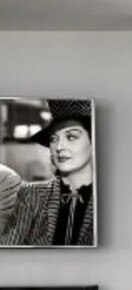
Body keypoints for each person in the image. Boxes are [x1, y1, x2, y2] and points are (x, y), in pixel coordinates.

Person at [0, 99, 96, 247]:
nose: (59, 147)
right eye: (54, 139)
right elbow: (9, 248)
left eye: (71, 137)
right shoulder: (32, 194)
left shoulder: (111, 199)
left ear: (93, 142)